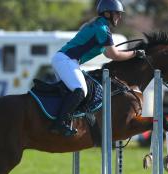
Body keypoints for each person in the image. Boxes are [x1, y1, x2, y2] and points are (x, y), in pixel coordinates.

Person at [50, 0, 146, 136]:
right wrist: (135, 53)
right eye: (117, 13)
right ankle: (60, 124)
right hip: (66, 60)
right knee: (80, 90)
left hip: (64, 60)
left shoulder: (99, 26)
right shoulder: (102, 29)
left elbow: (108, 54)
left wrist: (131, 54)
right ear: (107, 13)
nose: (119, 17)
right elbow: (114, 55)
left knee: (72, 92)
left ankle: (64, 120)